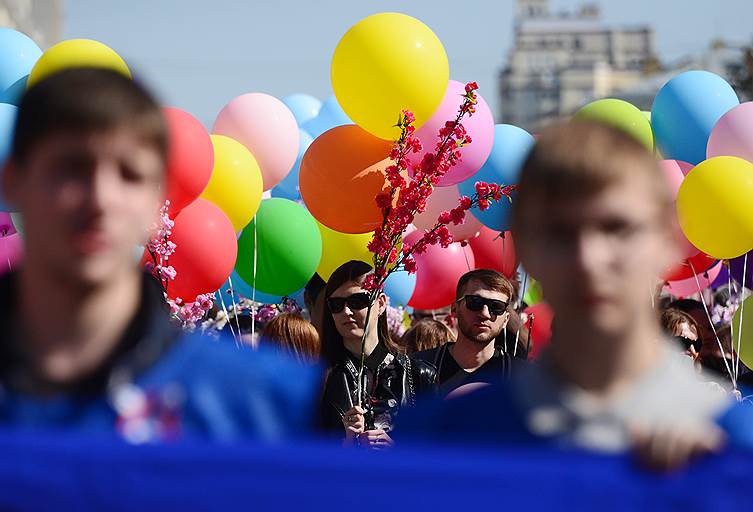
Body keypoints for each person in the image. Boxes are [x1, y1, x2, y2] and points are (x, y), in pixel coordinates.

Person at [0, 68, 318, 443]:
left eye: (129, 174)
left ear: (156, 204)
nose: (100, 199)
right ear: (11, 182)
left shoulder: (265, 405)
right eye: (71, 169)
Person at [397, 121, 753, 470]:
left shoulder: (736, 444)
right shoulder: (441, 441)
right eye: (561, 233)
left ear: (667, 241)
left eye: (617, 228)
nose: (589, 259)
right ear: (528, 248)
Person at [319, 260, 435, 449]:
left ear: (380, 304)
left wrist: (397, 451)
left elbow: (436, 452)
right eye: (336, 304)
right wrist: (346, 444)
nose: (346, 312)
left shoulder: (418, 375)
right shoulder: (319, 378)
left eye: (357, 301)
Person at [414, 269, 526, 397]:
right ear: (455, 309)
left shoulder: (521, 376)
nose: (484, 313)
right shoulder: (418, 367)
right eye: (475, 302)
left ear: (506, 319)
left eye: (496, 306)